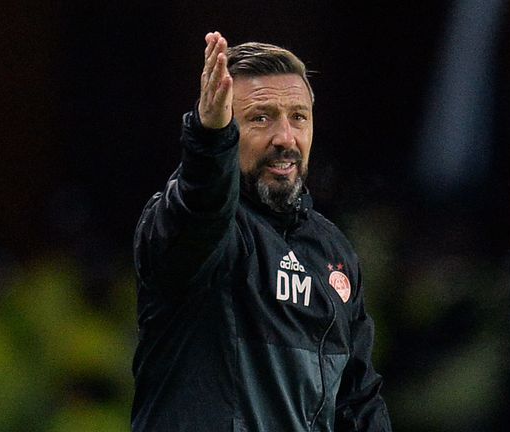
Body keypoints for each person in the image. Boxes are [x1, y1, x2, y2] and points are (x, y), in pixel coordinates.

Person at [131, 31, 392, 432]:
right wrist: (208, 141)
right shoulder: (194, 230)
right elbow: (200, 206)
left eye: (298, 117)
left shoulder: (333, 251)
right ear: (226, 129)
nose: (285, 138)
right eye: (260, 118)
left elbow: (357, 401)